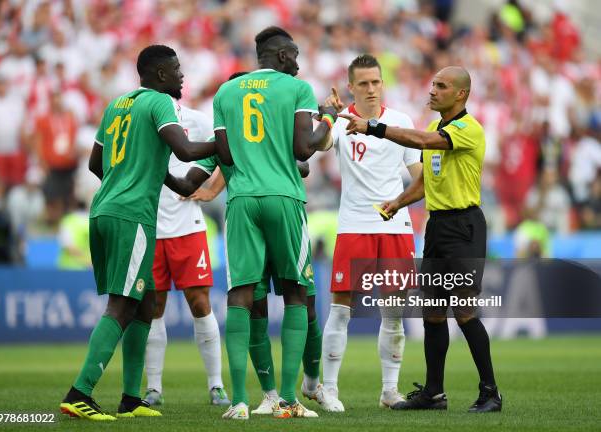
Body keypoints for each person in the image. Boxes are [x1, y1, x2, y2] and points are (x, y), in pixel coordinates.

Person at [59, 44, 216, 421]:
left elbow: (97, 161)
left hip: (104, 210)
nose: (182, 76)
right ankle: (79, 392)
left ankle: (131, 398)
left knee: (144, 305)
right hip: (133, 217)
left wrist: (134, 178)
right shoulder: (160, 101)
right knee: (122, 305)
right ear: (160, 75)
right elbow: (185, 150)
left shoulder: (116, 105)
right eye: (177, 69)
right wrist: (231, 145)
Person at [340, 66, 502, 413]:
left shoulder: (467, 129)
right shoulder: (434, 127)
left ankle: (490, 392)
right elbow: (427, 180)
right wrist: (397, 203)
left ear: (461, 94)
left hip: (464, 227)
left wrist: (374, 127)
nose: (433, 91)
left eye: (441, 86)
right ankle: (434, 392)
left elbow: (423, 143)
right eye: (432, 84)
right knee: (432, 311)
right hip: (438, 227)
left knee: (464, 309)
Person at [213, 26, 336, 420]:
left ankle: (238, 403)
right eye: (295, 54)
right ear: (282, 55)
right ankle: (287, 400)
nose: (298, 63)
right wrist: (329, 119)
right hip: (284, 198)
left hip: (242, 200)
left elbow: (226, 155)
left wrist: (257, 162)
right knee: (296, 292)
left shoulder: (225, 92)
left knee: (241, 295)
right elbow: (304, 146)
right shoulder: (296, 88)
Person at [305, 54, 422, 412]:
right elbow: (315, 145)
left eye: (376, 82)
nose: (371, 89)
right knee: (341, 310)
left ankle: (390, 390)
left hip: (395, 227)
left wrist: (402, 203)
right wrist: (326, 114)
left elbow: (419, 176)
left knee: (393, 314)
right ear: (352, 87)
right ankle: (330, 389)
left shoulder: (400, 122)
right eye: (364, 83)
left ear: (382, 83)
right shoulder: (340, 123)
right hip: (354, 224)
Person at [142, 104, 230, 408]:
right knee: (153, 306)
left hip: (188, 227)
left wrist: (212, 189)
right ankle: (153, 388)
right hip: (150, 226)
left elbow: (227, 149)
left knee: (200, 302)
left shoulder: (197, 120)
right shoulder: (143, 115)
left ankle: (216, 385)